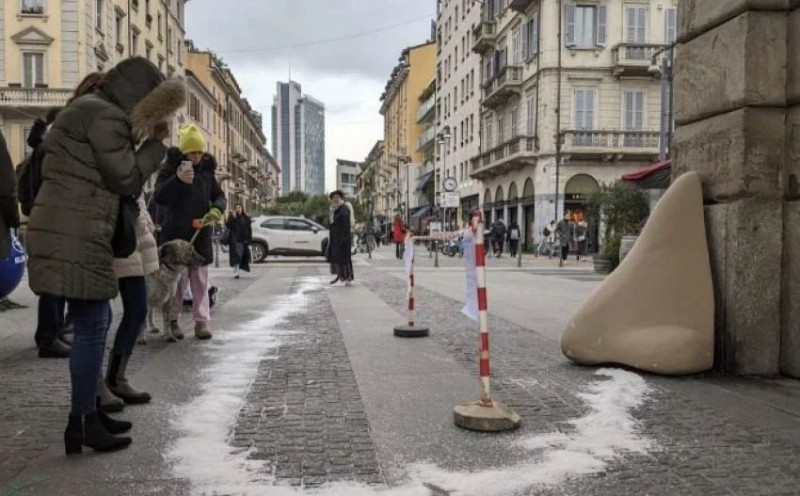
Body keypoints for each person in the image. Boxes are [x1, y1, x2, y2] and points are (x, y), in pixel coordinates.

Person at [26, 57, 184, 455]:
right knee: (93, 325)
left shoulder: (86, 109)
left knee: (92, 322)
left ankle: (88, 415)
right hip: (78, 231)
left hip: (66, 227)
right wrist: (156, 145)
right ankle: (82, 421)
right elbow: (126, 177)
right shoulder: (105, 117)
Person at [155, 124, 226, 340]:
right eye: (193, 152)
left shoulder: (206, 171)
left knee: (200, 280)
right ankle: (173, 320)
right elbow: (159, 196)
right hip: (177, 234)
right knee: (178, 281)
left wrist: (216, 209)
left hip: (201, 232)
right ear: (184, 152)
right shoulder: (169, 169)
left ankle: (201, 321)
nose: (197, 156)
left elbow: (219, 195)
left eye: (200, 152)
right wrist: (177, 180)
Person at [102, 194, 159, 410]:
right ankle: (95, 387)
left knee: (137, 311)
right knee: (98, 320)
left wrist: (146, 225)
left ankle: (117, 377)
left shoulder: (132, 165)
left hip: (132, 243)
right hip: (108, 240)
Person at [328, 191, 353, 286]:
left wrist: (343, 240)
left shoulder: (344, 210)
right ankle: (342, 277)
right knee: (340, 259)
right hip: (336, 239)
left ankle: (348, 278)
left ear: (341, 198)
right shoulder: (335, 210)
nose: (335, 199)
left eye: (337, 197)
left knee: (345, 259)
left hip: (343, 240)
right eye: (334, 197)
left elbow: (345, 226)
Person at [226, 204, 252, 279]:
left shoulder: (246, 218)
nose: (238, 209)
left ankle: (238, 270)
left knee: (241, 256)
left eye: (239, 207)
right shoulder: (233, 217)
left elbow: (249, 230)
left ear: (242, 209)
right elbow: (228, 225)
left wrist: (249, 241)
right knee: (236, 256)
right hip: (234, 240)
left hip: (243, 240)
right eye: (236, 208)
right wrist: (232, 217)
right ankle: (236, 272)